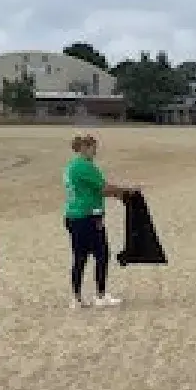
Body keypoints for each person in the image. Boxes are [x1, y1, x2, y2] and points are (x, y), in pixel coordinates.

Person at [62, 132, 138, 308]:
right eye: (93, 148)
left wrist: (120, 195)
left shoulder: (70, 167)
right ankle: (100, 295)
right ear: (84, 148)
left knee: (80, 256)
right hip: (87, 216)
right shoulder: (85, 166)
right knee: (101, 254)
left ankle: (76, 297)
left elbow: (94, 190)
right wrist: (127, 191)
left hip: (73, 216)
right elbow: (103, 188)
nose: (95, 152)